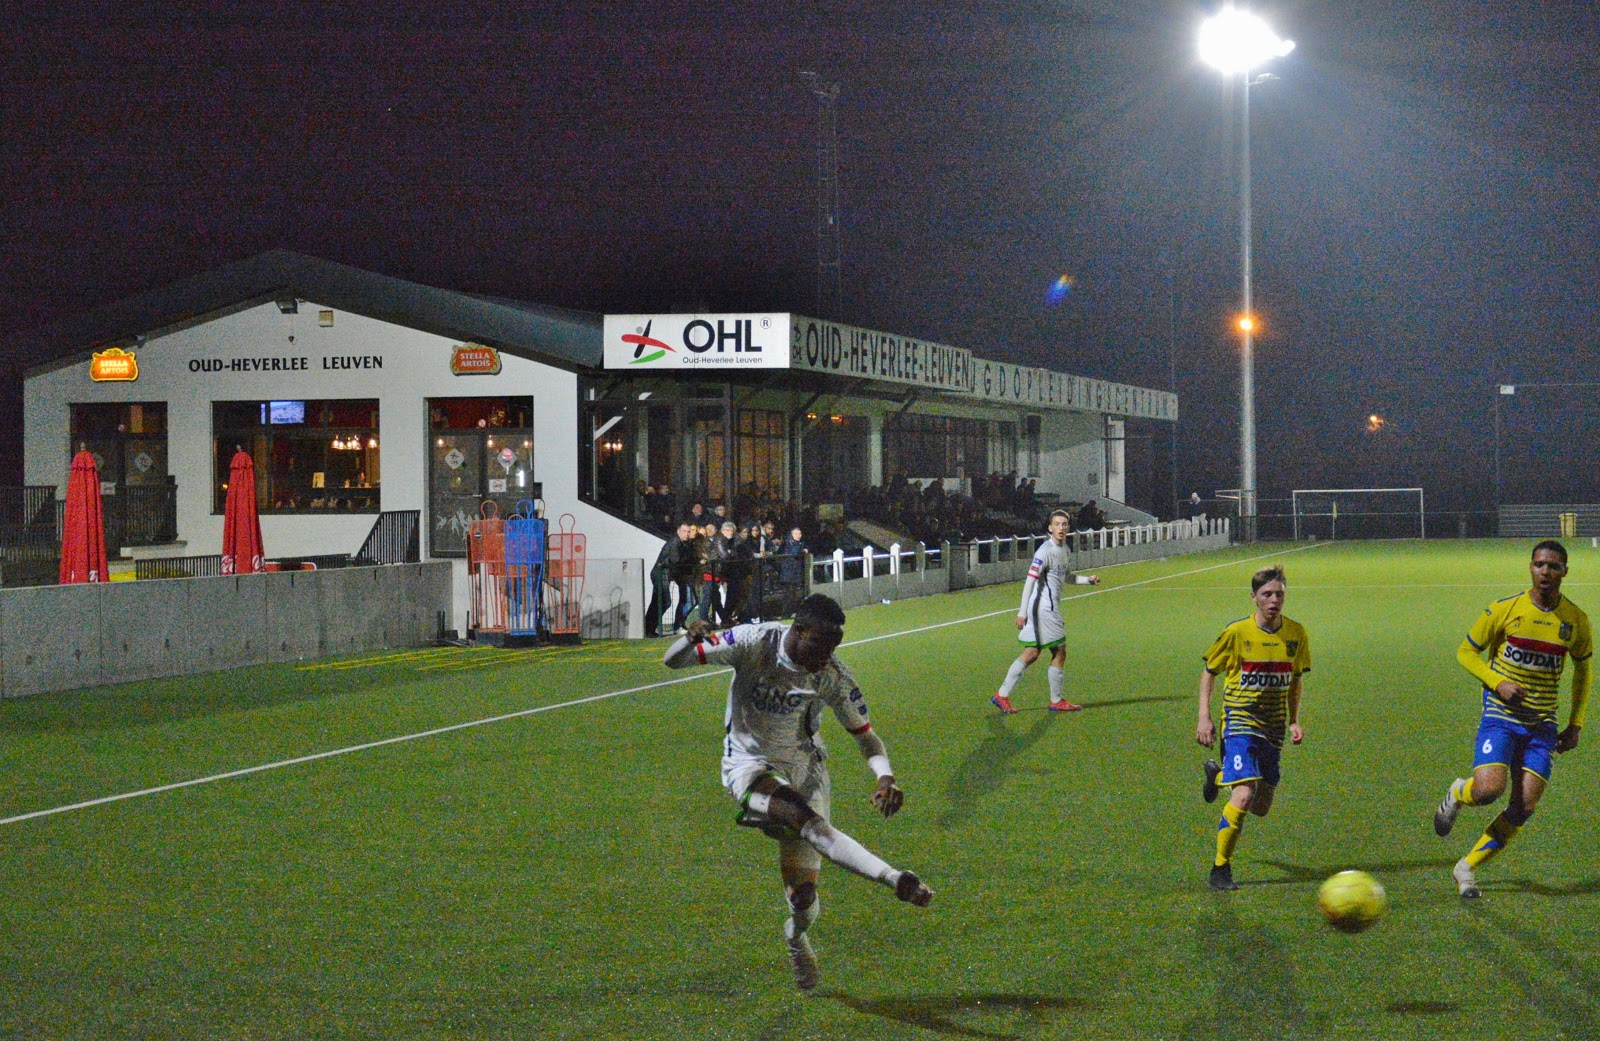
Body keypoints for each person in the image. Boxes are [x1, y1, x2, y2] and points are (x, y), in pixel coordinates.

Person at [662, 594, 934, 991]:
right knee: (811, 827)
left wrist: (885, 776)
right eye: (821, 645)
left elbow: (866, 737)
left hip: (807, 771)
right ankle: (895, 879)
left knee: (803, 898)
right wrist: (689, 638)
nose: (827, 655)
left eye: (834, 647)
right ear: (798, 630)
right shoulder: (754, 643)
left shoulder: (833, 676)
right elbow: (674, 661)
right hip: (750, 767)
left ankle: (795, 936)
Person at [1431, 540, 1592, 899]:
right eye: (1538, 565)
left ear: (1565, 571)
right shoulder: (1505, 609)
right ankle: (1459, 791)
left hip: (1542, 724)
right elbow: (1465, 652)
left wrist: (1576, 722)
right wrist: (1497, 681)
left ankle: (1466, 868)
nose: (1545, 572)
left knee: (1524, 807)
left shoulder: (1576, 621)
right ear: (1530, 568)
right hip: (1500, 715)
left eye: (1553, 566)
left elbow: (1584, 669)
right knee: (1488, 790)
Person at [1193, 565, 1310, 891]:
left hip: (1272, 728)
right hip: (1241, 720)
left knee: (1261, 807)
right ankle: (1220, 868)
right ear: (1254, 598)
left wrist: (1294, 720)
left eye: (1279, 594)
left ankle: (1217, 776)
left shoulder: (1296, 633)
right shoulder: (1236, 632)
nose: (1274, 600)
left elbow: (1295, 681)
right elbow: (1209, 672)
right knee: (1243, 796)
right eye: (1267, 594)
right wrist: (1204, 716)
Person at [990, 509, 1100, 714]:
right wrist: (1021, 612)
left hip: (1046, 609)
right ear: (1050, 528)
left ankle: (1001, 695)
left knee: (1032, 653)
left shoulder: (1065, 549)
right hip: (1044, 610)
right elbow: (1029, 581)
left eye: (1064, 524)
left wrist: (1088, 581)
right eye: (1057, 524)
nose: (1061, 528)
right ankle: (1056, 700)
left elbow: (1067, 577)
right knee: (1059, 650)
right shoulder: (1044, 552)